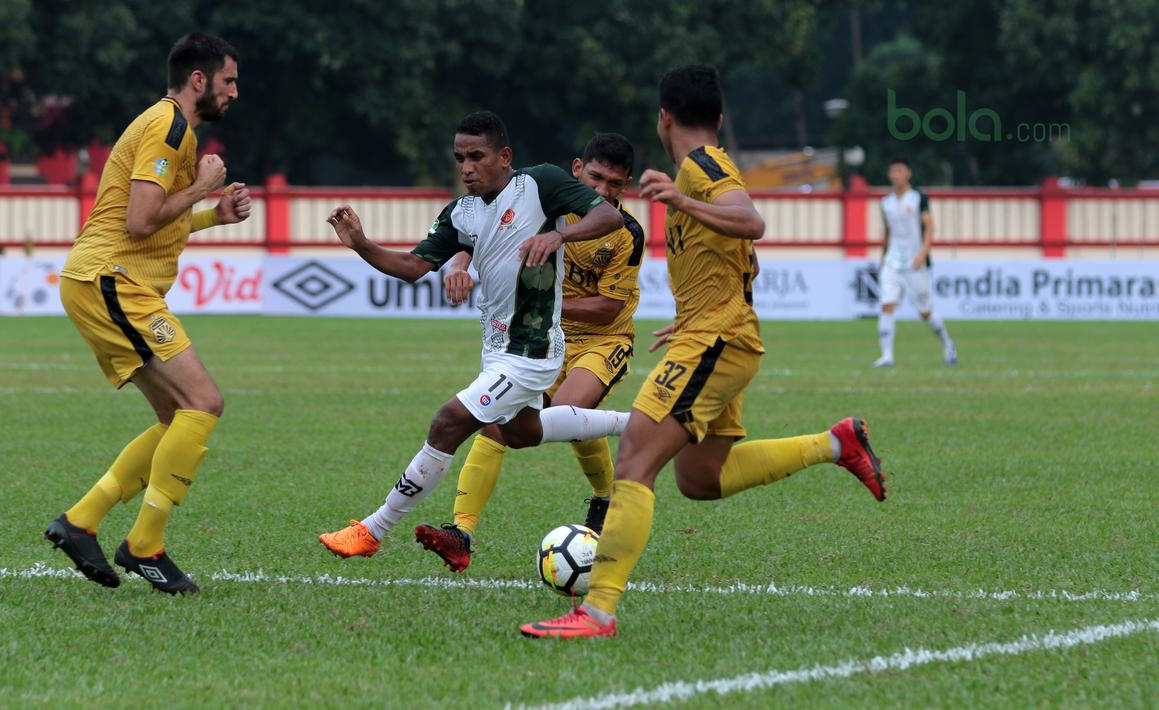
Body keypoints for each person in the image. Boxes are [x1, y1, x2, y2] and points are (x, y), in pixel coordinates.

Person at [520, 65, 887, 639]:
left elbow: (751, 222)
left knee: (635, 458)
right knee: (700, 477)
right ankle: (836, 443)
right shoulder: (695, 171)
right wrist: (696, 312)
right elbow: (746, 257)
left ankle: (596, 613)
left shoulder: (702, 166)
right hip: (714, 333)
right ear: (719, 117)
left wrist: (681, 204)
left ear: (663, 118)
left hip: (716, 339)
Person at [317, 111, 629, 560]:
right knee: (523, 432)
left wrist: (561, 237)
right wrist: (363, 245)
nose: (466, 167)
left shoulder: (540, 184)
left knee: (449, 421)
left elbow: (607, 217)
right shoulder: (460, 213)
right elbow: (412, 268)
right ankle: (638, 425)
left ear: (504, 157)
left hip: (532, 349)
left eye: (476, 157)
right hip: (497, 349)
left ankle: (372, 530)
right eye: (459, 158)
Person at [44, 32, 249, 594]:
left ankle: (81, 521)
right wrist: (205, 187)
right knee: (204, 403)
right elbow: (139, 221)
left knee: (177, 417)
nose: (235, 92)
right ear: (199, 80)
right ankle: (144, 544)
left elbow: (154, 218)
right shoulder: (169, 126)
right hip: (112, 280)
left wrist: (214, 216)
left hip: (108, 281)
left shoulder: (171, 128)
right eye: (229, 80)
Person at [414, 132, 646, 573]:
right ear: (577, 170)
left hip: (602, 340)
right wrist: (459, 266)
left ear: (626, 186)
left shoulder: (624, 231)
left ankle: (605, 495)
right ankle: (461, 533)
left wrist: (542, 297)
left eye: (614, 184)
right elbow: (472, 233)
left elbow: (609, 307)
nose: (602, 191)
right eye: (595, 178)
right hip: (539, 337)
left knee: (566, 411)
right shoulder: (542, 201)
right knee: (496, 420)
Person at [872, 157, 958, 368]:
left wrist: (923, 252)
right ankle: (887, 355)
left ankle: (948, 343)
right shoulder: (886, 203)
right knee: (887, 305)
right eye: (892, 171)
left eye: (899, 171)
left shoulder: (918, 198)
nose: (895, 175)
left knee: (925, 312)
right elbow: (887, 232)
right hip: (893, 262)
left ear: (908, 173)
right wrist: (883, 257)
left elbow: (929, 226)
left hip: (915, 263)